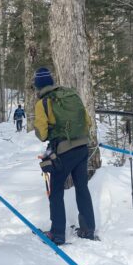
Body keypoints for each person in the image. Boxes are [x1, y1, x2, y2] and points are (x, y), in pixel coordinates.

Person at [33, 67, 98, 245]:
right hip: (83, 147)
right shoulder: (70, 94)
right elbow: (88, 121)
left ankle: (57, 234)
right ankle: (88, 229)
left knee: (55, 191)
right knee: (82, 188)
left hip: (63, 151)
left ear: (37, 86)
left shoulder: (43, 103)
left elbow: (42, 134)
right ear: (52, 81)